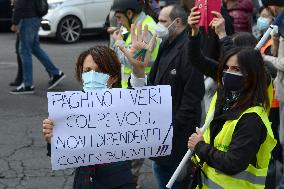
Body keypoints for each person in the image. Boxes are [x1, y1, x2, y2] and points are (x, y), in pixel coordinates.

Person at [186, 7, 276, 188]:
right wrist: (197, 33)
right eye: (226, 67)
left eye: (235, 69)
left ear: (252, 68)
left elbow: (233, 163)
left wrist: (200, 147)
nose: (227, 73)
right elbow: (199, 59)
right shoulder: (228, 86)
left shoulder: (253, 113)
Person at [119, 4, 205, 189]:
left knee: (173, 179)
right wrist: (138, 70)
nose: (158, 25)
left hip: (176, 137)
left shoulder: (189, 49)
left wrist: (172, 129)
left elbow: (192, 98)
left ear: (178, 22)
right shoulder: (166, 43)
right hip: (160, 132)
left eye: (163, 21)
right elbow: (151, 81)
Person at [42, 46, 136, 189]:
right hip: (84, 182)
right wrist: (53, 141)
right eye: (87, 71)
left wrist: (139, 71)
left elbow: (140, 96)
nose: (92, 76)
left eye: (99, 71)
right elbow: (66, 152)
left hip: (117, 183)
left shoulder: (124, 106)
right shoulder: (71, 108)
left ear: (113, 77)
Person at [10, 0, 65, 94]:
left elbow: (20, 4)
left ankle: (28, 85)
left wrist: (15, 22)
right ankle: (56, 73)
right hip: (35, 17)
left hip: (27, 19)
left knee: (24, 51)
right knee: (35, 48)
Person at [110, 0, 159, 88]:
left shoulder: (145, 31)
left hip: (141, 87)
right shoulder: (139, 26)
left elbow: (131, 61)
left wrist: (118, 42)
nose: (119, 22)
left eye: (119, 17)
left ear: (129, 13)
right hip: (135, 86)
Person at [9, 0, 22, 87]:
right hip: (30, 19)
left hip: (25, 21)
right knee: (36, 50)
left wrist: (15, 23)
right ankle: (54, 72)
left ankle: (23, 80)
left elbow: (19, 6)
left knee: (20, 51)